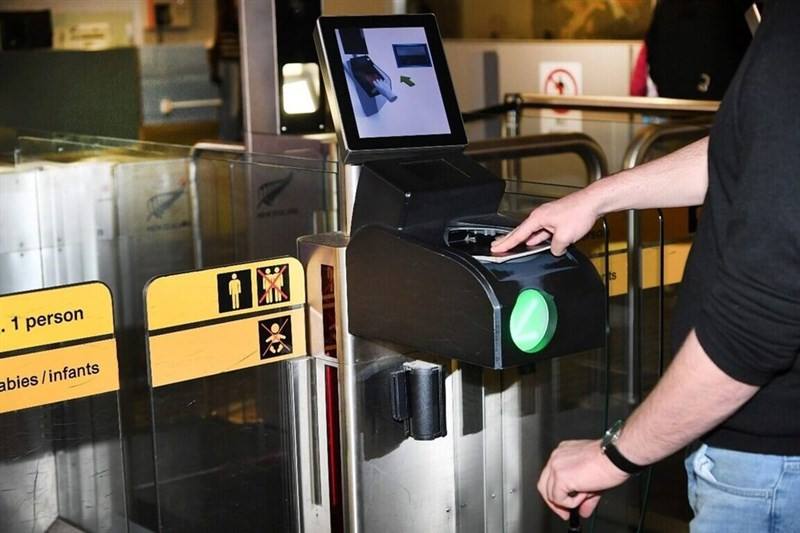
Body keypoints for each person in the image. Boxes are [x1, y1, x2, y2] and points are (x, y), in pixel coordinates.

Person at [491, 1, 800, 530]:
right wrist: (595, 198)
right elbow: (750, 150)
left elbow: (755, 328)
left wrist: (612, 455)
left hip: (768, 472)